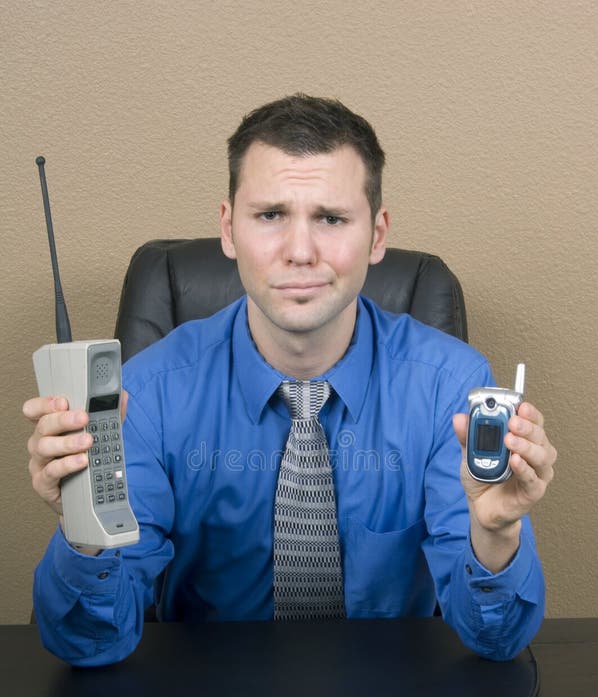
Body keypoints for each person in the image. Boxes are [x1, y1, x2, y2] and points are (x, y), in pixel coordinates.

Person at [23, 94, 557, 667]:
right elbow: (90, 644)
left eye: (331, 219)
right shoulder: (148, 392)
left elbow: (494, 640)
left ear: (377, 236)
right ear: (229, 229)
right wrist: (86, 529)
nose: (300, 252)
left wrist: (497, 535)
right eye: (270, 215)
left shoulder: (451, 386)